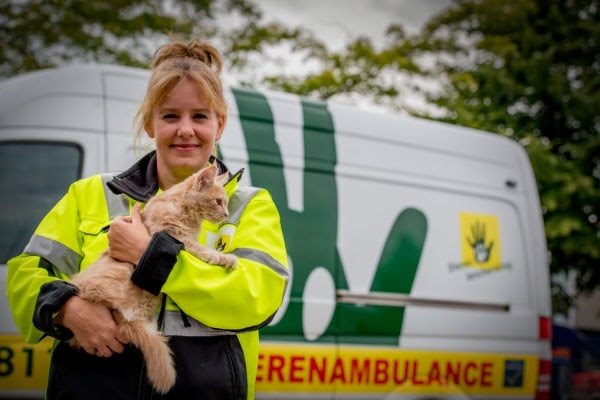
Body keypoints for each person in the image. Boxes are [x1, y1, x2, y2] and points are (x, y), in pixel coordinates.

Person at [6, 38, 289, 400]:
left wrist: (152, 256)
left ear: (219, 125)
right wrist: (65, 308)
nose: (185, 129)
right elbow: (24, 273)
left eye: (200, 116)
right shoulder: (91, 193)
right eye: (170, 115)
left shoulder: (250, 205)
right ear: (151, 124)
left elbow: (256, 299)